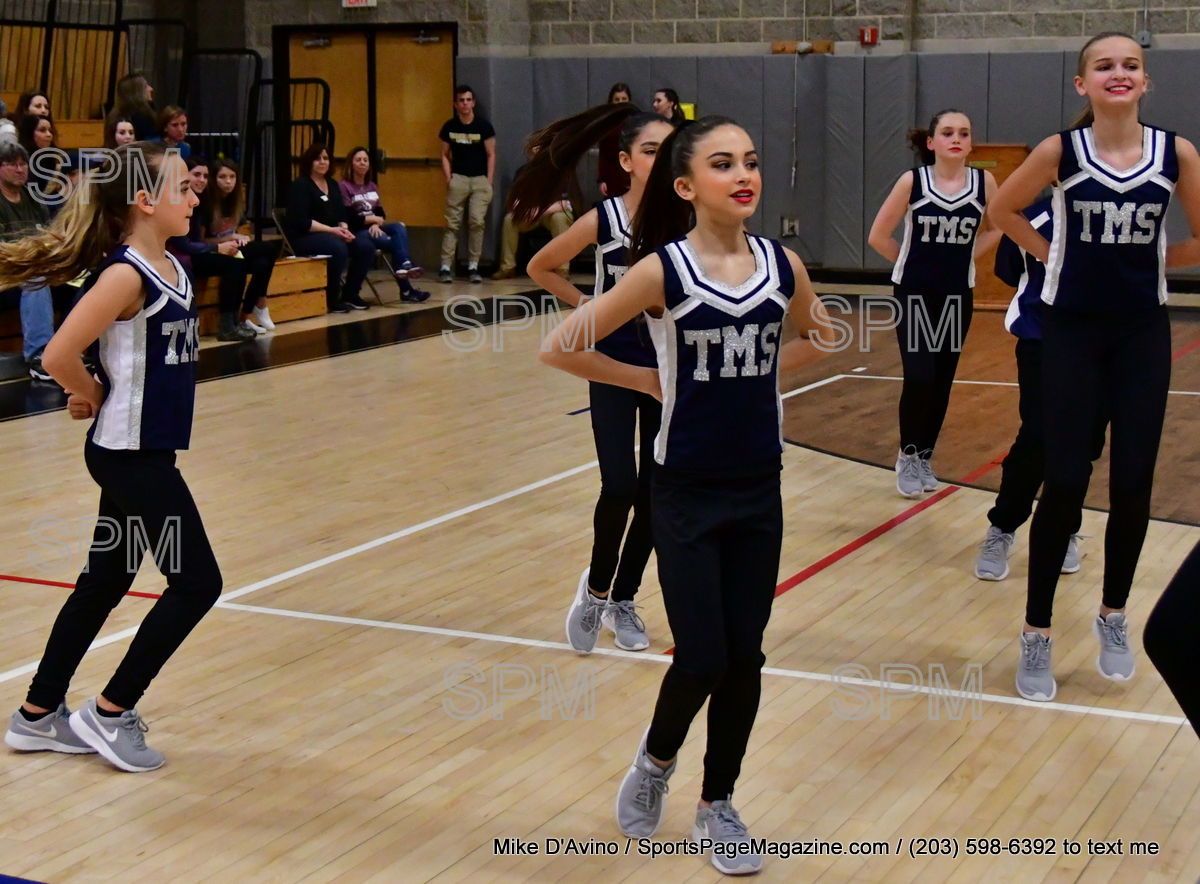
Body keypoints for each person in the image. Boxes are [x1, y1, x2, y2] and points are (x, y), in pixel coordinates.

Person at [540, 116, 831, 875]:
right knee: (702, 656)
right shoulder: (660, 271)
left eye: (752, 161)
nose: (744, 174)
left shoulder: (783, 264)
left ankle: (718, 803)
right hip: (684, 491)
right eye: (723, 163)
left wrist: (754, 372)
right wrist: (646, 378)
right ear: (686, 185)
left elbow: (820, 335)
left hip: (758, 487)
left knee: (746, 658)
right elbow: (560, 345)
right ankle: (656, 760)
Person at [990, 31, 1200, 703]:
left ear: (1145, 81)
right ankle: (1037, 630)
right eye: (1104, 65)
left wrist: (1157, 260)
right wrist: (1051, 255)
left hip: (1141, 333)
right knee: (1065, 479)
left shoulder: (1176, 153)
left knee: (1134, 481)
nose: (1119, 73)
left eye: (1131, 65)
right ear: (1083, 83)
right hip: (1071, 331)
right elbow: (1002, 210)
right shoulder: (1061, 151)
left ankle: (1113, 613)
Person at [0, 142, 222, 772]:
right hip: (131, 458)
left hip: (142, 453)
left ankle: (37, 714)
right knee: (197, 583)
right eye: (183, 187)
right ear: (145, 200)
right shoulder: (126, 275)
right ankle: (111, 710)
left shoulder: (171, 265)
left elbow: (124, 354)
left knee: (106, 580)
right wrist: (91, 393)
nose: (196, 195)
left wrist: (97, 384)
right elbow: (56, 354)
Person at [510, 107, 673, 652]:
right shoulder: (605, 219)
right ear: (626, 161)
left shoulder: (689, 222)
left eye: (669, 150)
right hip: (611, 364)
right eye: (650, 150)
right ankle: (597, 591)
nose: (661, 159)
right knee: (620, 486)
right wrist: (587, 306)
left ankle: (624, 599)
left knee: (656, 494)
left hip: (668, 368)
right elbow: (540, 266)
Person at [973, 197, 1108, 582]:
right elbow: (1008, 269)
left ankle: (1064, 527)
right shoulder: (1030, 216)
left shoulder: (1114, 211)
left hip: (1102, 341)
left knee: (1083, 443)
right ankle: (1002, 526)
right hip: (1041, 337)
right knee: (1038, 437)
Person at [868, 109, 1000, 498]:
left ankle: (925, 455)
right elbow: (878, 236)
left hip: (957, 293)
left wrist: (966, 257)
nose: (956, 138)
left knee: (941, 381)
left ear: (971, 144)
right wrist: (910, 264)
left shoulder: (984, 182)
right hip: (914, 294)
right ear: (931, 142)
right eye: (947, 132)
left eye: (964, 133)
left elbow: (997, 229)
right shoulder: (913, 181)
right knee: (920, 376)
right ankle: (907, 454)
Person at [166, 157, 253, 342]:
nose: (202, 180)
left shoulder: (199, 200)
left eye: (205, 176)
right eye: (197, 175)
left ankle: (233, 322)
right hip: (176, 256)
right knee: (232, 264)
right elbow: (182, 244)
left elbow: (196, 240)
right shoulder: (175, 200)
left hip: (193, 252)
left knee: (239, 261)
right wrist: (217, 247)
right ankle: (226, 326)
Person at [284, 141, 375, 313]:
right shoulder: (300, 185)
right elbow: (302, 221)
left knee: (365, 247)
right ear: (309, 162)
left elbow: (342, 213)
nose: (322, 162)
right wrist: (333, 231)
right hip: (304, 236)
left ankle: (351, 293)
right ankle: (332, 297)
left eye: (325, 158)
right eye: (317, 159)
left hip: (333, 233)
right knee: (337, 248)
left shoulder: (332, 184)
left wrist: (344, 228)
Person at [337, 146, 430, 303]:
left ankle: (404, 266)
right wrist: (373, 220)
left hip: (374, 229)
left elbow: (381, 214)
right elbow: (349, 217)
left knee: (399, 227)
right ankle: (406, 283)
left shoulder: (372, 186)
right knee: (396, 244)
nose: (362, 163)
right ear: (351, 163)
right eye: (358, 160)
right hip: (357, 231)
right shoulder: (344, 186)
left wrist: (376, 223)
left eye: (365, 160)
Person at [0, 140, 56, 381]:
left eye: (23, 164)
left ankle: (70, 347)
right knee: (35, 279)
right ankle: (40, 356)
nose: (20, 169)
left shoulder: (34, 200)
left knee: (84, 278)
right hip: (7, 274)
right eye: (12, 164)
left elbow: (49, 236)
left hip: (36, 266)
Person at [491, 143, 575, 281]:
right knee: (510, 219)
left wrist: (539, 212)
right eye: (532, 153)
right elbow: (515, 201)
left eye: (538, 153)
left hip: (553, 212)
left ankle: (562, 268)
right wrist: (524, 210)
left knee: (559, 219)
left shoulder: (558, 171)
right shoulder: (522, 172)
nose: (534, 156)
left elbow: (562, 204)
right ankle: (507, 267)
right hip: (530, 213)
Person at [438, 85, 495, 284]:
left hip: (479, 179)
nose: (465, 104)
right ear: (456, 104)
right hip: (459, 178)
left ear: (473, 103)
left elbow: (491, 154)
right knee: (451, 224)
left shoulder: (484, 126)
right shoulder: (449, 127)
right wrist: (449, 178)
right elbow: (444, 154)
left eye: (468, 100)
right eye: (461, 100)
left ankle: (473, 265)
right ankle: (445, 267)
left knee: (476, 222)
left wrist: (489, 180)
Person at [598, 82, 633, 199]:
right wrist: (602, 179)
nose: (620, 102)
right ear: (611, 101)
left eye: (624, 99)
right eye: (617, 99)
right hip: (612, 177)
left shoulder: (635, 121)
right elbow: (603, 154)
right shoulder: (606, 124)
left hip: (631, 175)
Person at [18, 113, 59, 196]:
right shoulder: (25, 163)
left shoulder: (46, 159)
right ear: (29, 134)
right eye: (42, 130)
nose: (49, 135)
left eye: (50, 131)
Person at [109, 73, 157, 140]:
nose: (151, 89)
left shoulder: (114, 115)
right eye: (146, 86)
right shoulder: (142, 118)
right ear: (137, 92)